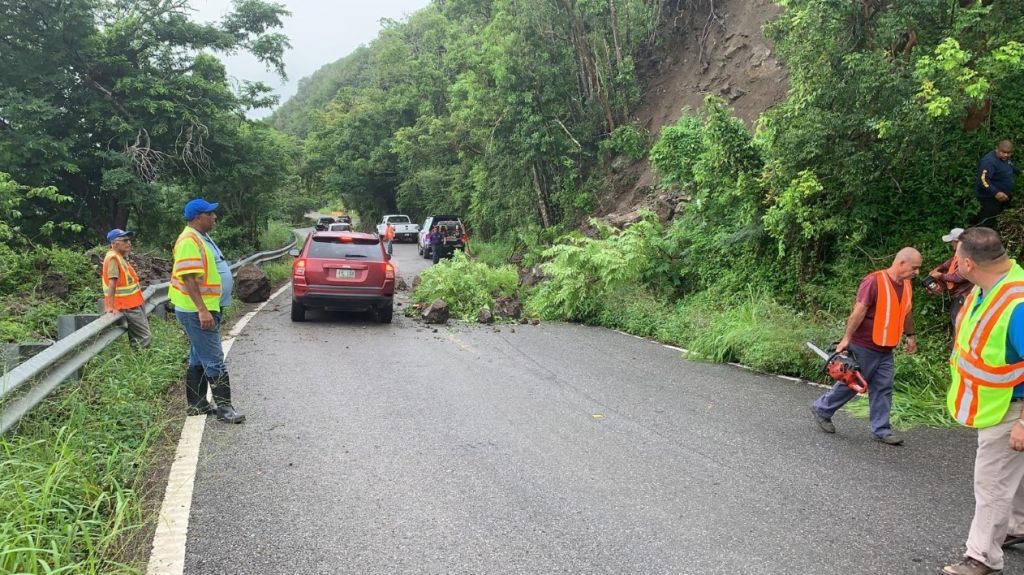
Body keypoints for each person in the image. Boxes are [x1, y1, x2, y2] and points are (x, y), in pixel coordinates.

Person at [942, 227, 1024, 575]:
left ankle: (981, 558)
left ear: (969, 263)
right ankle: (1016, 528)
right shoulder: (987, 287)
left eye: (955, 256)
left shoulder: (1017, 304)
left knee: (991, 484)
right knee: (1015, 476)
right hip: (996, 402)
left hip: (1010, 408)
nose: (952, 262)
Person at [810, 247, 921, 445]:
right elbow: (858, 311)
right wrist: (846, 339)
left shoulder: (907, 285)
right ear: (901, 263)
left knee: (883, 388)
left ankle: (881, 430)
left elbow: (906, 314)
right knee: (853, 384)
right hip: (864, 346)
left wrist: (911, 336)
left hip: (886, 349)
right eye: (915, 268)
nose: (917, 272)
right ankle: (822, 408)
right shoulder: (874, 281)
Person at [170, 198, 244, 423]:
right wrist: (202, 310)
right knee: (214, 359)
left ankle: (197, 404)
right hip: (197, 311)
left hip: (206, 308)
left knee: (198, 357)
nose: (214, 217)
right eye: (209, 214)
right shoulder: (189, 240)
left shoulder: (201, 237)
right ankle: (225, 409)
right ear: (197, 217)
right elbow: (189, 278)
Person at [102, 229, 151, 348]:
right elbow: (112, 283)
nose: (128, 243)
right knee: (144, 337)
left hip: (133, 303)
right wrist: (110, 306)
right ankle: (141, 362)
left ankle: (139, 360)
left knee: (139, 337)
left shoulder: (120, 257)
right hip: (126, 305)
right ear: (113, 243)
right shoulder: (113, 258)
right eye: (124, 240)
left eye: (129, 240)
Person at [928, 227, 974, 329]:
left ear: (957, 242)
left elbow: (959, 277)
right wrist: (937, 269)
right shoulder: (958, 255)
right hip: (957, 296)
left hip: (964, 296)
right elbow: (948, 264)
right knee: (955, 318)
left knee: (959, 322)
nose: (951, 244)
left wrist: (940, 275)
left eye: (952, 242)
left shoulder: (968, 257)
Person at [974, 140, 1018, 228]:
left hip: (1003, 196)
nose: (1006, 155)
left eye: (1008, 153)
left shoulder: (1005, 158)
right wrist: (995, 192)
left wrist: (1019, 171)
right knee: (987, 223)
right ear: (997, 149)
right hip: (990, 198)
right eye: (1003, 152)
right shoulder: (989, 162)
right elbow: (983, 180)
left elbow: (1010, 166)